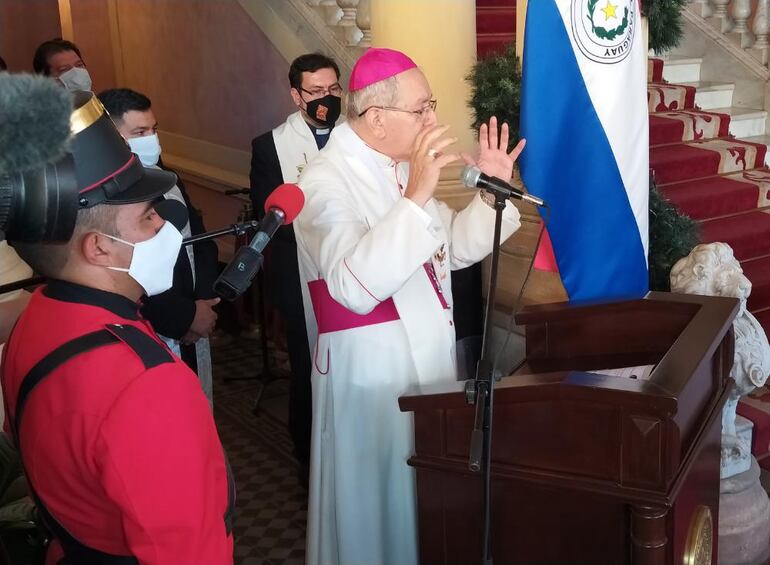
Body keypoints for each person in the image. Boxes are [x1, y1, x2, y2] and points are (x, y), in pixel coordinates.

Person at [294, 47, 525, 565]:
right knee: (378, 514)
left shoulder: (398, 168)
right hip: (372, 376)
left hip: (422, 364)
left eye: (431, 105)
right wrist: (417, 194)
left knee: (421, 507)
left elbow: (455, 249)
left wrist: (493, 194)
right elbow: (353, 286)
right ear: (376, 119)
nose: (433, 119)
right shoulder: (323, 182)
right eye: (422, 109)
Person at [1, 92, 234, 564]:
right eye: (149, 217)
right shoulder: (145, 383)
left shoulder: (36, 318)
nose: (167, 226)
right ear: (99, 249)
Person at [249, 52, 342, 480]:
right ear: (296, 95)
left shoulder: (354, 136)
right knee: (308, 363)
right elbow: (267, 215)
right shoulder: (270, 146)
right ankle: (309, 455)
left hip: (350, 266)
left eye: (334, 89)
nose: (327, 98)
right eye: (317, 91)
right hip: (299, 270)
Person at [98, 87, 220, 404]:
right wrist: (186, 316)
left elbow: (200, 240)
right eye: (140, 132)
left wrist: (204, 298)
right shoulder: (106, 200)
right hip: (156, 326)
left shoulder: (170, 179)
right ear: (112, 137)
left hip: (196, 310)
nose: (151, 138)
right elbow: (130, 270)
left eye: (154, 129)